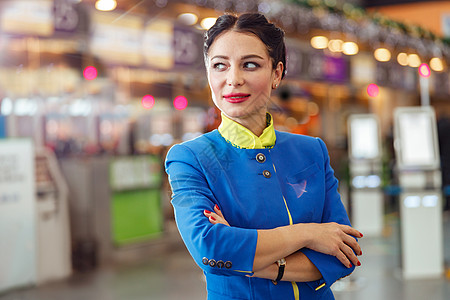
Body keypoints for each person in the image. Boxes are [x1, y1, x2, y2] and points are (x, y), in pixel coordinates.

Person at [165, 13, 363, 300]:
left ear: (276, 73)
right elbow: (210, 249)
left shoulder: (311, 151)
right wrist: (309, 234)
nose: (233, 79)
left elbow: (343, 254)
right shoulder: (190, 159)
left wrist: (248, 261)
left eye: (250, 65)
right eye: (219, 66)